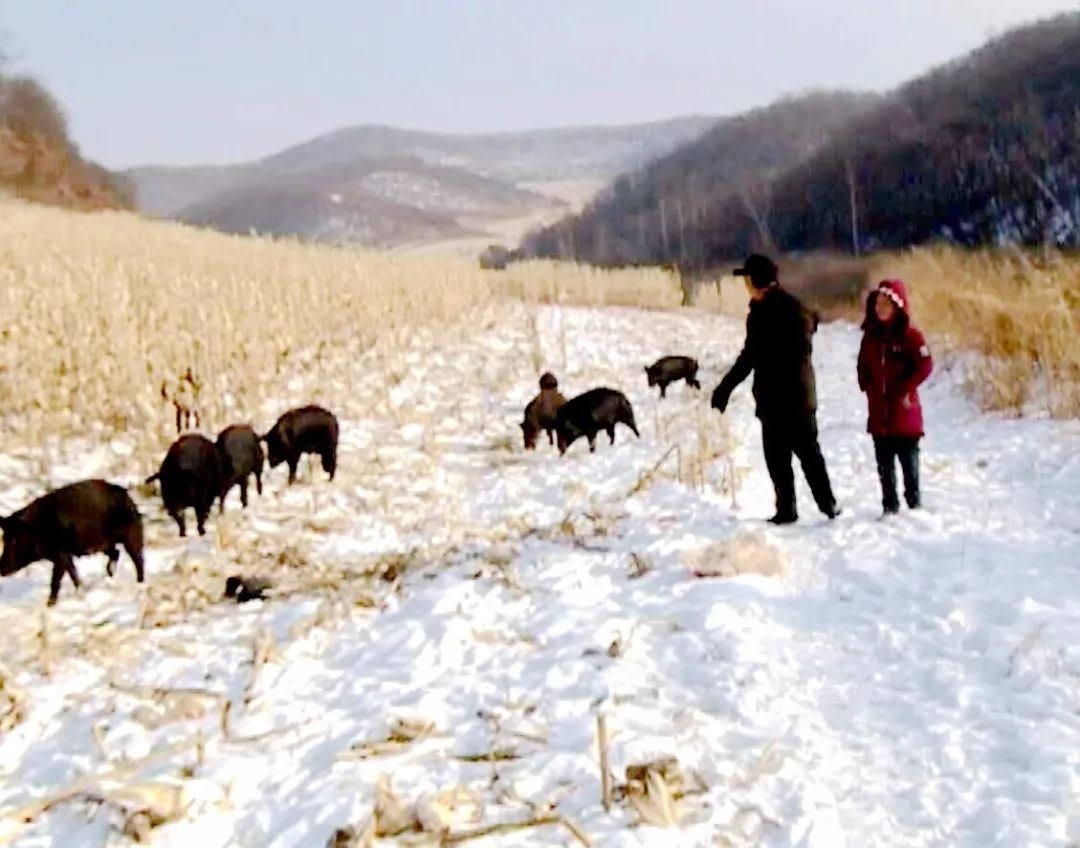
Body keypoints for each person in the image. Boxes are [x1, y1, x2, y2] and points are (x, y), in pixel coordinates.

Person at [711, 254, 841, 525]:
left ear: (756, 281)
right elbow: (810, 322)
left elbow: (751, 357)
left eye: (747, 279)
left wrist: (725, 388)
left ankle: (813, 508)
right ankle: (807, 508)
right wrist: (725, 387)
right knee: (793, 457)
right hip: (784, 399)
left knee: (795, 457)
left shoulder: (773, 313)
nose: (745, 285)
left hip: (787, 399)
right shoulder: (778, 309)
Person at [857, 279, 933, 516]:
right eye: (877, 304)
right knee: (884, 463)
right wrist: (866, 385)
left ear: (897, 307)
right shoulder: (870, 338)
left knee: (909, 462)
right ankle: (889, 506)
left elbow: (925, 364)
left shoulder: (911, 336)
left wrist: (907, 388)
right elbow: (862, 365)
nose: (880, 308)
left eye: (885, 304)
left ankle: (914, 503)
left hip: (904, 413)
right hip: (880, 415)